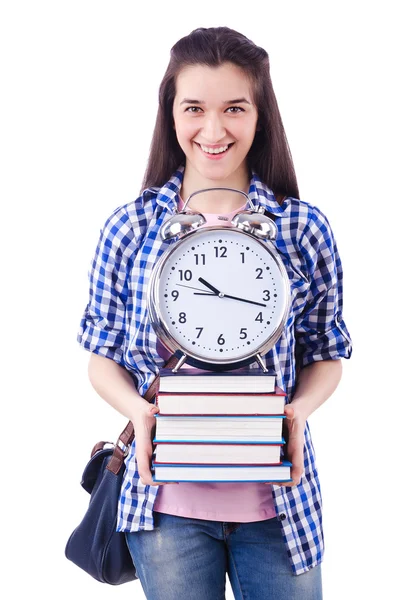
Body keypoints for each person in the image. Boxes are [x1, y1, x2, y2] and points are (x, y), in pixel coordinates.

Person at [77, 26, 352, 600]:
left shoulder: (302, 228)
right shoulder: (130, 228)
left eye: (234, 108)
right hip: (165, 511)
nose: (214, 130)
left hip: (279, 509)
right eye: (194, 108)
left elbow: (327, 352)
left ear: (260, 115)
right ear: (170, 113)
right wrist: (139, 414)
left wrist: (299, 412)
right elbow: (101, 357)